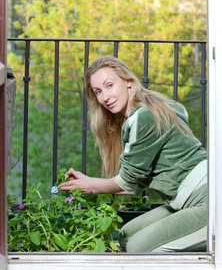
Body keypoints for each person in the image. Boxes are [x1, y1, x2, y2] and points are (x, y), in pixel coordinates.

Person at [59, 56, 207, 253]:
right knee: (127, 236)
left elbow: (127, 183)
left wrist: (92, 186)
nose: (104, 97)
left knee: (139, 248)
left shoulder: (144, 116)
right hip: (183, 201)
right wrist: (87, 182)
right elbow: (133, 185)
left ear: (127, 81)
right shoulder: (146, 113)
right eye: (98, 92)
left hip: (208, 198)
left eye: (109, 85)